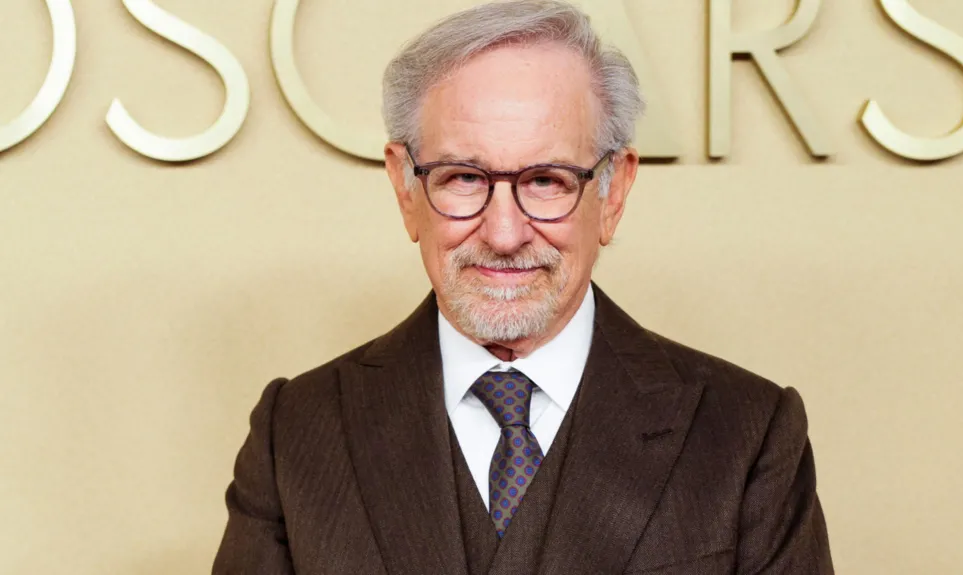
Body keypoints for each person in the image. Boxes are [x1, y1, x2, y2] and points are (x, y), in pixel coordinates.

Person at [212, 1, 833, 573]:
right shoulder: (294, 431)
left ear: (613, 193)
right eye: (462, 177)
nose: (504, 233)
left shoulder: (746, 433)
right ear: (406, 189)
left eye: (546, 181)